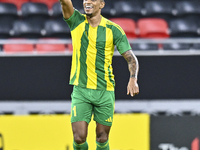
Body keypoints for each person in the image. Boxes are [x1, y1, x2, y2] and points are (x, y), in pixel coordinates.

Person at [59, 0, 139, 149]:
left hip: (105, 91)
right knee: (79, 137)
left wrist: (133, 79)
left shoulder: (113, 29)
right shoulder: (76, 21)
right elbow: (65, 3)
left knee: (102, 138)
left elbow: (131, 58)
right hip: (81, 90)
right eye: (85, 0)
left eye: (93, 0)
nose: (87, 2)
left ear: (101, 4)